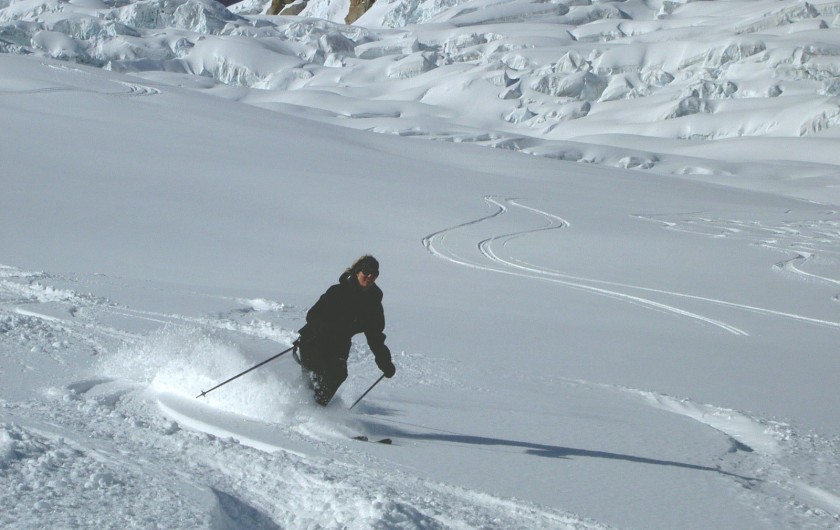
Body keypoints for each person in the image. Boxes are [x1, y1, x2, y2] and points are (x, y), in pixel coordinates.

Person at [295, 255, 396, 406]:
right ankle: (300, 405)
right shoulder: (338, 292)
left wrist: (385, 363)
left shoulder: (373, 304)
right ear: (357, 272)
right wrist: (326, 329)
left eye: (374, 273)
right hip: (314, 339)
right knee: (314, 377)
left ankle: (316, 409)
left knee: (338, 373)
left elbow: (375, 337)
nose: (370, 276)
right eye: (366, 271)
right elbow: (313, 315)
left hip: (339, 344)